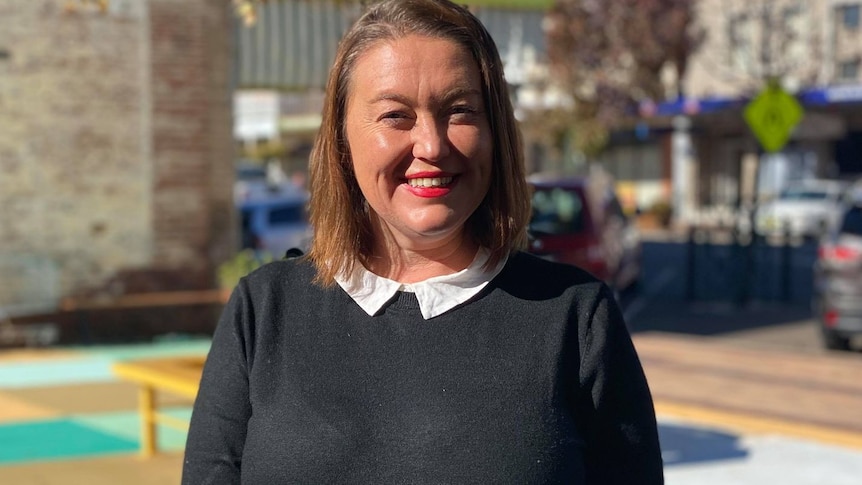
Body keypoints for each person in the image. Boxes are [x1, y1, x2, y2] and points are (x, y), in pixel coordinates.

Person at [182, 0, 664, 483]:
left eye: (460, 111)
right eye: (396, 116)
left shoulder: (577, 320)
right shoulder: (263, 312)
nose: (432, 145)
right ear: (342, 140)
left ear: (495, 134)